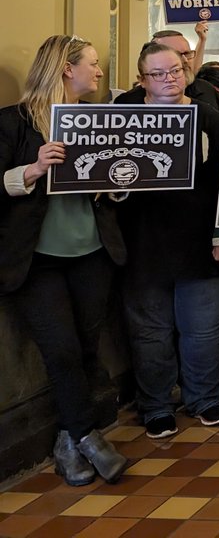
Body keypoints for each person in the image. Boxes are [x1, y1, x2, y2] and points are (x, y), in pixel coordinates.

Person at [0, 35, 130, 486]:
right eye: (92, 64)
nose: (98, 72)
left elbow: (117, 187)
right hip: (37, 260)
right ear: (64, 70)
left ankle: (67, 440)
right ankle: (89, 438)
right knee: (62, 349)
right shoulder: (13, 123)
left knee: (86, 348)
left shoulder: (98, 121)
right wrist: (32, 171)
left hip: (91, 252)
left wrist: (114, 182)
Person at [119, 41, 219, 439]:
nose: (169, 79)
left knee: (204, 329)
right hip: (142, 243)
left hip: (200, 241)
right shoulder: (121, 117)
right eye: (158, 74)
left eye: (175, 70)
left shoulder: (212, 120)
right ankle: (155, 405)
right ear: (142, 80)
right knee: (150, 332)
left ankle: (204, 397)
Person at [115, 29, 219, 109]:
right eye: (176, 54)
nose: (185, 60)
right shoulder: (127, 103)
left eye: (187, 53)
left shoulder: (207, 90)